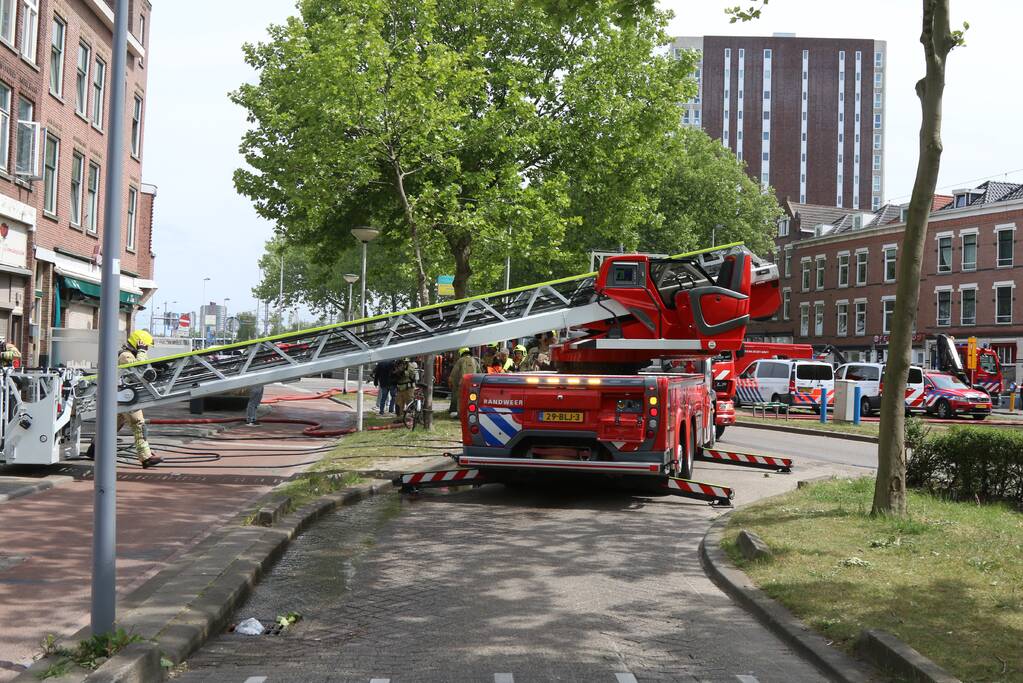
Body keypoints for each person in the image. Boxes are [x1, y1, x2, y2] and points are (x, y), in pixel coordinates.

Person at [85, 329, 162, 468]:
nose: (147, 349)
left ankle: (94, 450)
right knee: (139, 424)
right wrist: (142, 352)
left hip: (120, 396)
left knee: (112, 424)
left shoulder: (126, 354)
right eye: (146, 346)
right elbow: (138, 369)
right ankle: (146, 457)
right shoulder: (126, 356)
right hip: (125, 396)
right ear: (140, 343)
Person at [448, 347, 481, 417]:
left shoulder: (460, 360)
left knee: (461, 398)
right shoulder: (475, 361)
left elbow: (454, 372)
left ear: (462, 354)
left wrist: (451, 381)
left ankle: (460, 414)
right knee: (471, 399)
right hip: (473, 383)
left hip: (463, 383)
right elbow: (479, 372)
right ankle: (471, 413)